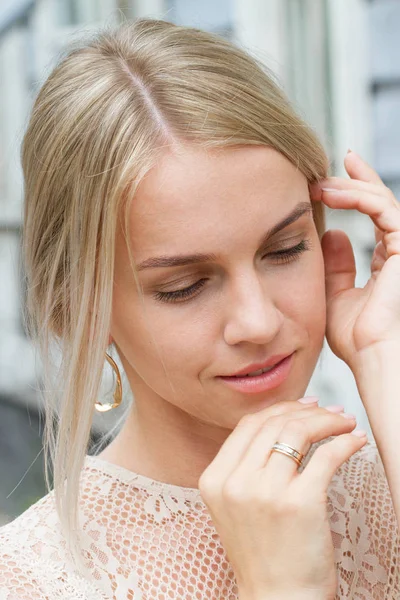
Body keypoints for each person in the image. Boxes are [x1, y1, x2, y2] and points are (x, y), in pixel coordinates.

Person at [0, 16, 399, 600]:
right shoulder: (34, 582)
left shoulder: (386, 487)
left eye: (285, 249)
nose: (258, 321)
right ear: (78, 312)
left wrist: (386, 356)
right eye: (184, 286)